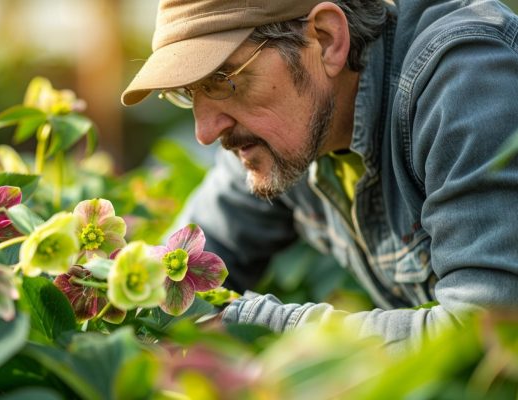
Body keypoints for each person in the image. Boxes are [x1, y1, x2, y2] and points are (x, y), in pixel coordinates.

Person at [121, 0, 518, 352]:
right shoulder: (283, 131)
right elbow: (190, 264)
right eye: (189, 93)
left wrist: (257, 327)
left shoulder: (465, 82)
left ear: (327, 39)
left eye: (222, 81)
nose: (205, 131)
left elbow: (490, 332)